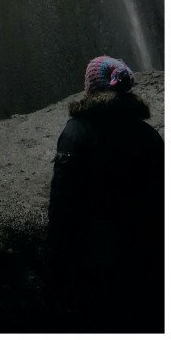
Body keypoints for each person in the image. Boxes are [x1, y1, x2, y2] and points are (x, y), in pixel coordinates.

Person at [47, 56, 164, 332]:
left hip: (91, 268)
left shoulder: (76, 133)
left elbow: (61, 208)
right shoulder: (149, 136)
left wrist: (54, 271)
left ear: (91, 89)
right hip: (143, 267)